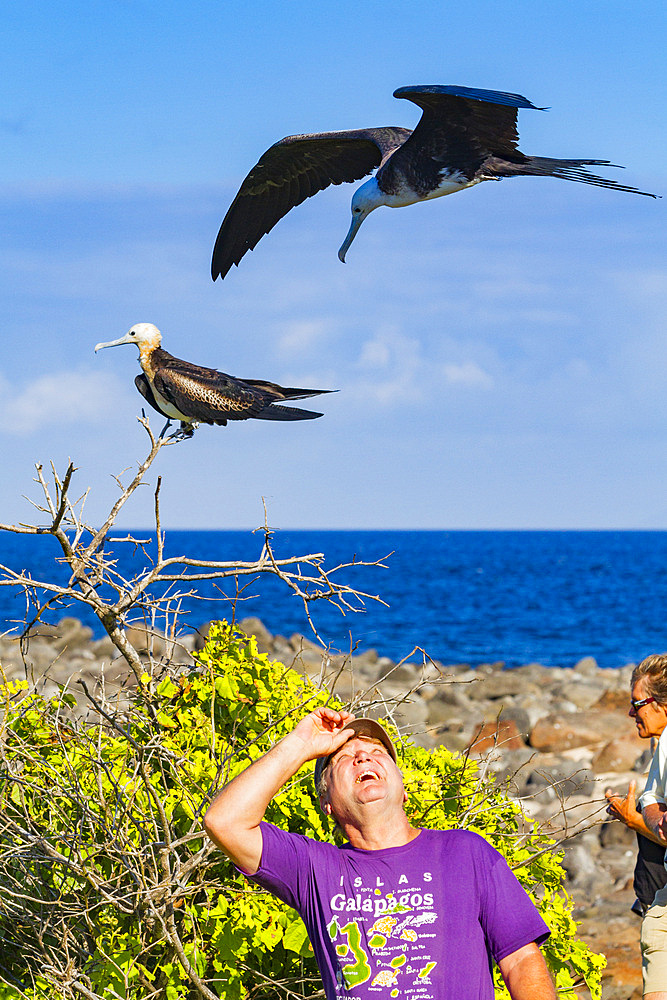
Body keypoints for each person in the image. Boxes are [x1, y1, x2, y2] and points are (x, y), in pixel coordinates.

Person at [204, 707, 556, 1000]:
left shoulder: (466, 851)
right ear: (326, 802)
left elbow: (522, 961)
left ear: (403, 790)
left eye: (377, 754)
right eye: (344, 757)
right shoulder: (314, 869)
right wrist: (299, 745)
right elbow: (225, 821)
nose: (362, 756)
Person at [605, 654, 667, 1000]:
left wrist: (633, 820)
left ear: (660, 704)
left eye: (637, 704)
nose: (632, 713)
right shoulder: (661, 748)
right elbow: (653, 798)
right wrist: (649, 812)